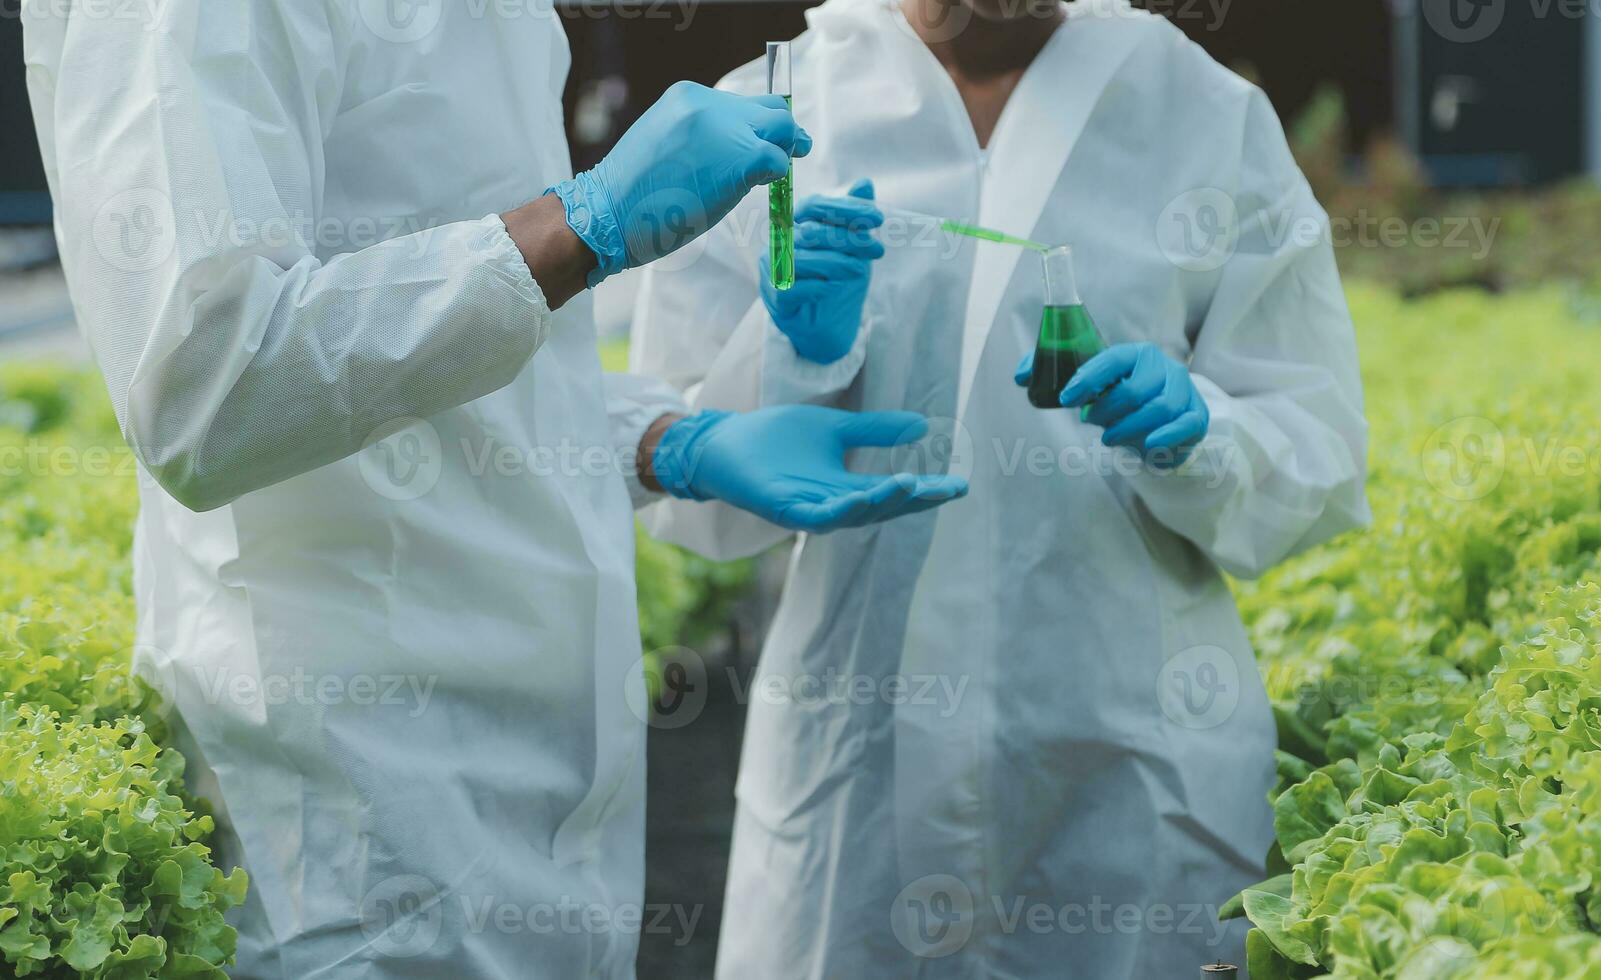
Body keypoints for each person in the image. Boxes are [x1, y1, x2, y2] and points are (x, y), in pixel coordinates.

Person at [21, 3, 967, 977]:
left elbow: (462, 362)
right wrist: (578, 227)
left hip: (554, 813)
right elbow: (206, 388)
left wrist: (669, 439)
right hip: (363, 825)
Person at [632, 0, 1371, 974]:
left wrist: (1204, 430)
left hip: (1122, 771)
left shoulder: (1199, 109)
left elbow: (1316, 448)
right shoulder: (770, 110)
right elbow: (686, 500)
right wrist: (793, 355)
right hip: (858, 768)